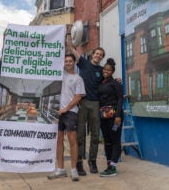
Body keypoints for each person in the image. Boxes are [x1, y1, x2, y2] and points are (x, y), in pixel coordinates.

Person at [67, 38, 105, 175]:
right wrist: (69, 36)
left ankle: (92, 161)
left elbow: (108, 81)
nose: (98, 56)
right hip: (82, 103)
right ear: (92, 54)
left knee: (95, 135)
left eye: (100, 55)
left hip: (95, 104)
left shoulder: (102, 71)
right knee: (80, 135)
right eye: (96, 53)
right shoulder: (83, 64)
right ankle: (79, 163)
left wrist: (117, 80)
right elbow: (72, 50)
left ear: (102, 58)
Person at [47, 53, 85, 182]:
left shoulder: (78, 78)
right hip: (58, 113)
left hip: (70, 113)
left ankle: (74, 170)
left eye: (70, 61)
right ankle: (61, 169)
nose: (68, 63)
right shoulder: (60, 74)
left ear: (74, 62)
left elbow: (78, 97)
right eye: (66, 61)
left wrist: (66, 109)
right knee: (58, 140)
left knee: (72, 141)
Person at [98, 58, 124, 177]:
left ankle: (113, 167)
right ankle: (109, 164)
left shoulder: (116, 83)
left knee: (115, 140)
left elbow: (120, 99)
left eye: (109, 70)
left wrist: (118, 116)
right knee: (107, 141)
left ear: (112, 72)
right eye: (105, 69)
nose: (106, 71)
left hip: (114, 116)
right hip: (104, 117)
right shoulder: (101, 82)